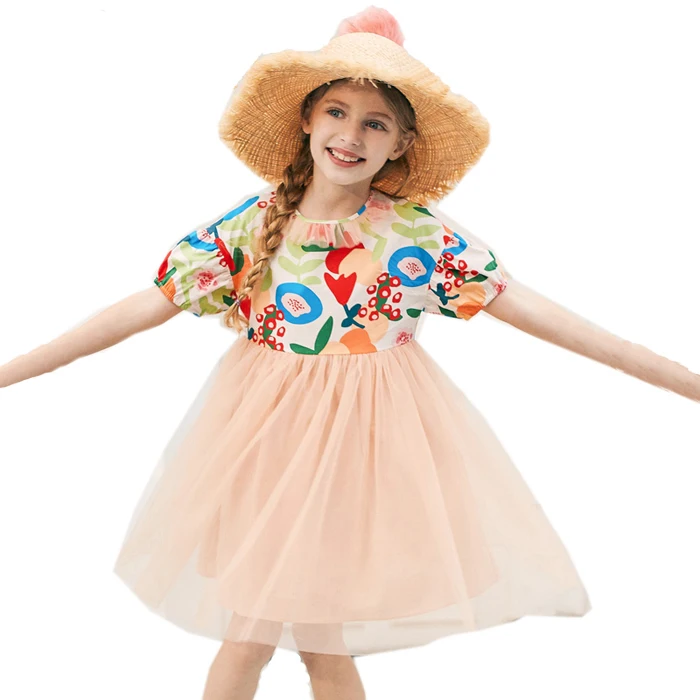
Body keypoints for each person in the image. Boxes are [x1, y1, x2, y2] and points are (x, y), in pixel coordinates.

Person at [2, 6, 699, 700]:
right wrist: (15, 369)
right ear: (307, 120)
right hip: (263, 450)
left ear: (400, 145)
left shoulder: (413, 235)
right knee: (264, 638)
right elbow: (142, 308)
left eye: (375, 123)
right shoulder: (254, 225)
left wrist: (674, 376)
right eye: (336, 112)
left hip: (359, 459)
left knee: (307, 644)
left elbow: (532, 310)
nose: (350, 134)